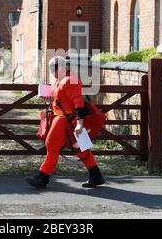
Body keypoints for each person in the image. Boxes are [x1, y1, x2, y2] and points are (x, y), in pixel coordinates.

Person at [26, 56, 105, 189]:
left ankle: (42, 178)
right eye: (51, 68)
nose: (51, 71)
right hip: (65, 120)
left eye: (53, 68)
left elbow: (78, 103)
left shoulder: (70, 80)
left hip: (65, 120)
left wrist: (80, 124)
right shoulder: (60, 79)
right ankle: (95, 175)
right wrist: (48, 97)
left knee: (52, 146)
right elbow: (61, 97)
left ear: (62, 67)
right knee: (80, 148)